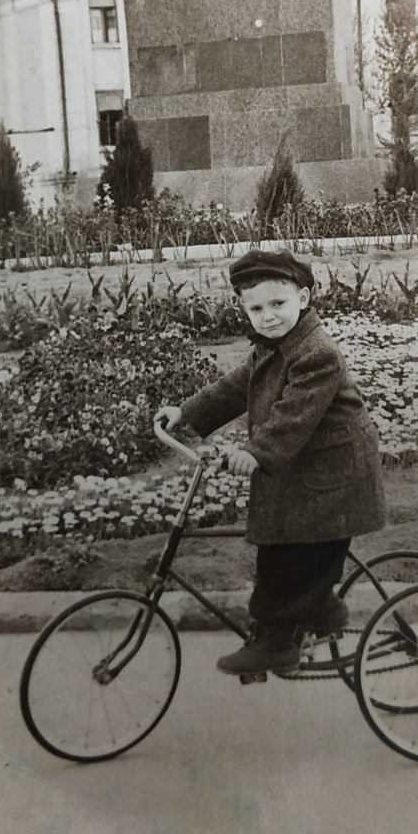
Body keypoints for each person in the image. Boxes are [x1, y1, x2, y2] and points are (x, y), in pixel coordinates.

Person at [156, 247, 386, 677]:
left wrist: (254, 452)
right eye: (256, 308)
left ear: (304, 297)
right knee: (280, 552)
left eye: (278, 304)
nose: (268, 316)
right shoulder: (273, 347)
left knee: (282, 563)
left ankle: (277, 645)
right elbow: (234, 387)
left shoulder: (316, 352)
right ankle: (319, 612)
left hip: (334, 479)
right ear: (244, 309)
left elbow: (293, 416)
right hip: (307, 471)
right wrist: (186, 413)